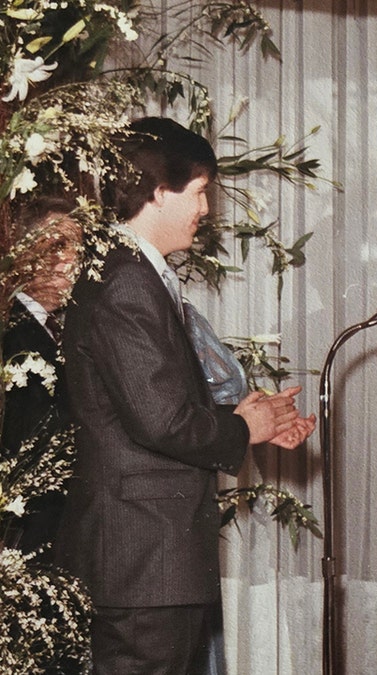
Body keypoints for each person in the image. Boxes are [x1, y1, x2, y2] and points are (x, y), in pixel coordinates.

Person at [54, 117, 316, 675]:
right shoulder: (127, 279)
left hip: (147, 554)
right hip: (143, 558)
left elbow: (141, 407)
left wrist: (246, 418)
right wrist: (244, 428)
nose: (205, 209)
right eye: (198, 192)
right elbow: (162, 422)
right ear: (156, 192)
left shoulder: (128, 271)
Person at [1, 196, 80, 557]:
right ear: (23, 252)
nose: (71, 258)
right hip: (25, 533)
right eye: (58, 245)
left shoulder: (53, 327)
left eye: (77, 247)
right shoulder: (13, 332)